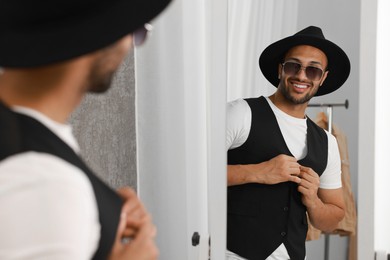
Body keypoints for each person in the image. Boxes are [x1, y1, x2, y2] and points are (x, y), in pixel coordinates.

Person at [0, 0, 171, 259]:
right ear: (99, 39)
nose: (129, 47)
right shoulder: (45, 184)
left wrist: (102, 216)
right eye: (136, 33)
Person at [226, 26, 351, 260]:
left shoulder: (327, 142)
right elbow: (195, 175)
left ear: (323, 78)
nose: (302, 76)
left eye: (313, 70)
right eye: (294, 65)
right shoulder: (241, 113)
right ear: (280, 69)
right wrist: (258, 172)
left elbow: (333, 217)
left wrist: (314, 201)